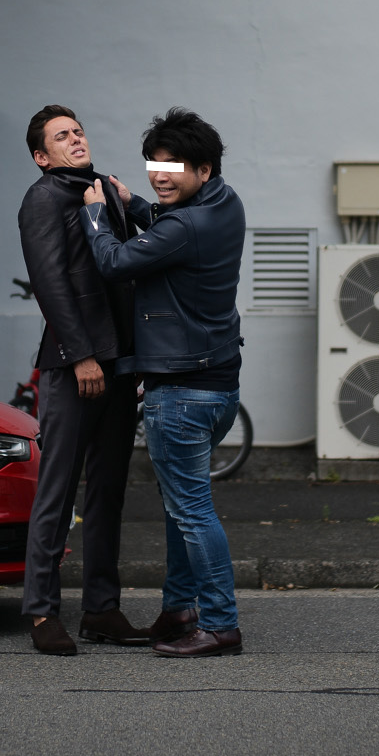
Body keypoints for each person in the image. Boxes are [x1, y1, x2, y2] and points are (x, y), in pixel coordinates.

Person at [81, 107, 246, 657]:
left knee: (193, 511)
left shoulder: (185, 225)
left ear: (203, 168)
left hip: (180, 392)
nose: (160, 173)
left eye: (174, 165)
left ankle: (220, 623)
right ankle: (180, 610)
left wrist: (100, 216)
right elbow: (171, 228)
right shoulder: (224, 204)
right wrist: (138, 205)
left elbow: (116, 262)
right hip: (220, 387)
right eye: (154, 162)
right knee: (183, 507)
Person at [15, 104, 149, 656]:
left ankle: (102, 608)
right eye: (61, 137)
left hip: (119, 365)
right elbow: (50, 284)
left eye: (78, 131)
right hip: (75, 367)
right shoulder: (43, 199)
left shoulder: (103, 191)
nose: (76, 140)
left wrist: (132, 360)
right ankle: (42, 612)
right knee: (58, 490)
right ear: (42, 157)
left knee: (109, 491)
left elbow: (124, 274)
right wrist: (81, 357)